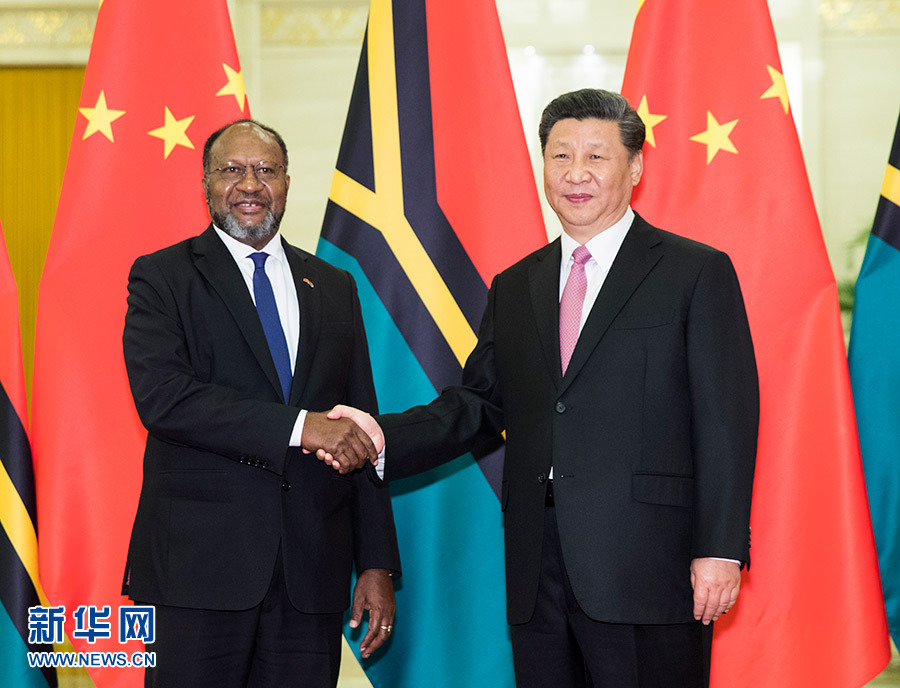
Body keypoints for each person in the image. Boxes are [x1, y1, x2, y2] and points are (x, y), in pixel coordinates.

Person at [324, 89, 758, 687]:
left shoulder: (695, 272)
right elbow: (478, 405)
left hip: (648, 564)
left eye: (596, 156)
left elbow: (726, 421)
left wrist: (720, 549)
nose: (576, 174)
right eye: (560, 156)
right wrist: (379, 436)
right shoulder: (516, 284)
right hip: (537, 565)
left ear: (635, 167)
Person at [121, 119, 400, 688]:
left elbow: (359, 426)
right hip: (198, 575)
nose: (249, 184)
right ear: (205, 183)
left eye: (265, 170)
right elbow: (164, 399)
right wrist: (300, 427)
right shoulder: (162, 276)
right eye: (231, 170)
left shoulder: (334, 285)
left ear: (287, 183)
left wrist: (375, 563)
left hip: (310, 576)